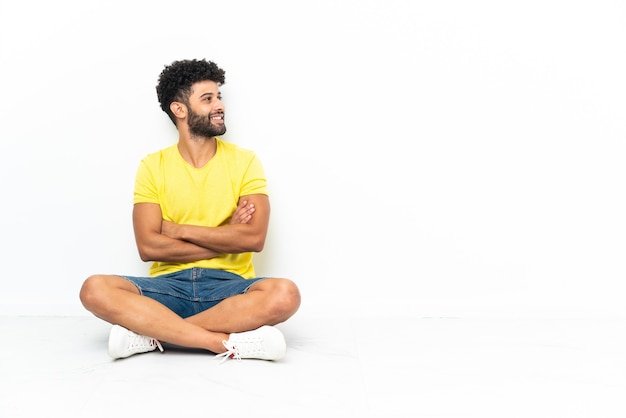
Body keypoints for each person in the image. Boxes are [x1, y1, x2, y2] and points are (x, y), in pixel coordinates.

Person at [79, 59, 301, 362]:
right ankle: (222, 343)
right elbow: (148, 246)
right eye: (207, 99)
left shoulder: (245, 161)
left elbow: (253, 239)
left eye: (219, 97)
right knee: (94, 288)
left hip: (230, 288)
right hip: (167, 288)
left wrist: (176, 230)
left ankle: (152, 335)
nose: (219, 105)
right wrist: (225, 236)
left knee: (286, 294)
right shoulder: (152, 166)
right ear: (180, 109)